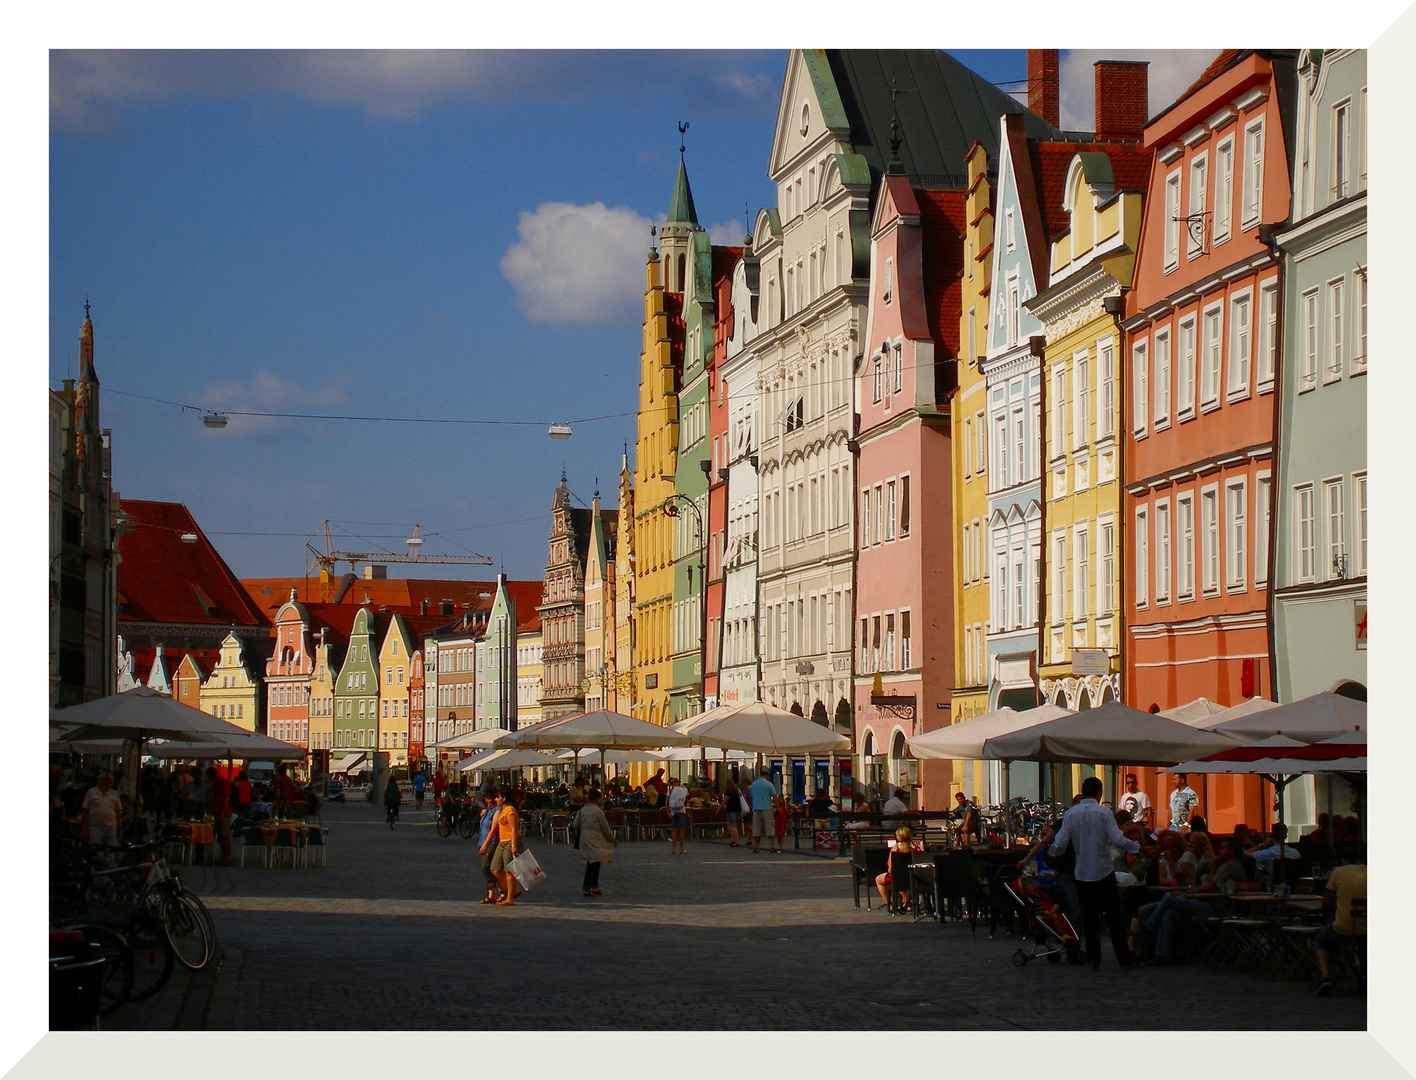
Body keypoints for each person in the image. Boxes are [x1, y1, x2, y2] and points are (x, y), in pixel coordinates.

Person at [1048, 775, 1139, 971]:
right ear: (1099, 793)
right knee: (1114, 917)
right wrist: (1136, 847)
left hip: (1082, 871)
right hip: (1104, 870)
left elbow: (1061, 842)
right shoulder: (1104, 812)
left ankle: (1093, 960)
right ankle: (1124, 960)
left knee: (1089, 918)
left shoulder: (1071, 814)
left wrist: (1051, 852)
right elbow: (1117, 838)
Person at [1140, 838, 1247, 964]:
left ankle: (1149, 929)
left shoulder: (1230, 866)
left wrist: (1187, 894)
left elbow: (1209, 887)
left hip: (1217, 908)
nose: (1219, 850)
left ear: (1231, 851)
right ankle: (1163, 954)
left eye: (1222, 847)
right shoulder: (1225, 865)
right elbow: (1212, 883)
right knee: (1170, 914)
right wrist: (1215, 865)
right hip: (1212, 904)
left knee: (1169, 897)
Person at [1314, 859, 1366, 995]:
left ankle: (1325, 976)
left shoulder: (1340, 872)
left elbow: (1326, 904)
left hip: (1344, 930)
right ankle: (1364, 972)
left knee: (1321, 940)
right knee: (1363, 941)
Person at [574, 787, 618, 897]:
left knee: (594, 862)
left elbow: (575, 825)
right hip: (595, 838)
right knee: (593, 864)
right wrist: (612, 839)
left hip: (584, 838)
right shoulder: (598, 811)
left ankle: (594, 886)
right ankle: (587, 888)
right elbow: (605, 827)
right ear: (597, 799)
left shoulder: (582, 810)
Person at [485, 789, 522, 906]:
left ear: (504, 798)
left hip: (510, 841)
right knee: (494, 869)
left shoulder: (510, 810)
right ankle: (512, 890)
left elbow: (513, 829)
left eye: (498, 797)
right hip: (502, 842)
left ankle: (510, 898)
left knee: (509, 871)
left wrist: (513, 845)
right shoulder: (502, 810)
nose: (496, 799)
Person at [875, 825, 926, 910]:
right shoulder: (914, 848)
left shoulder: (896, 848)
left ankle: (890, 905)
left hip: (897, 876)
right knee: (910, 881)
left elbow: (890, 867)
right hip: (912, 876)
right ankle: (906, 903)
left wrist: (889, 869)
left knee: (878, 880)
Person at [1251, 822, 1302, 887]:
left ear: (1271, 836)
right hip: (1292, 888)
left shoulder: (1268, 853)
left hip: (1272, 889)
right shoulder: (1295, 853)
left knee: (1259, 865)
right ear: (1285, 836)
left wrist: (1262, 845)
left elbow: (1245, 853)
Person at [80, 772, 123, 849]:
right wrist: (84, 828)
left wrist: (119, 829)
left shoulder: (114, 794)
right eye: (110, 780)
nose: (113, 782)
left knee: (111, 851)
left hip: (111, 828)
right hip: (95, 828)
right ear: (103, 781)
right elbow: (84, 810)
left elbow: (117, 811)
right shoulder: (91, 792)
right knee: (96, 852)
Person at [475, 791, 503, 903]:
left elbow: (493, 829)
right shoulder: (488, 810)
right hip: (484, 841)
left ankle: (503, 891)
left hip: (492, 842)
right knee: (491, 868)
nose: (486, 801)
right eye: (485, 799)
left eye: (488, 799)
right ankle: (492, 893)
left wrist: (485, 844)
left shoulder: (497, 811)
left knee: (486, 867)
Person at [207, 767, 233, 866]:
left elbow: (226, 798)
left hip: (225, 813)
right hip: (218, 812)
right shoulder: (216, 783)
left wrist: (222, 812)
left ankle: (227, 857)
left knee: (225, 835)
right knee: (221, 837)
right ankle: (223, 856)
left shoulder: (223, 782)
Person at [749, 769, 779, 853]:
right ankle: (772, 846)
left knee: (756, 827)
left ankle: (756, 847)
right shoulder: (769, 784)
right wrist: (778, 806)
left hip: (756, 808)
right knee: (770, 827)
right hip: (767, 808)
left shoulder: (753, 785)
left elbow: (751, 797)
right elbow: (774, 797)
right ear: (767, 776)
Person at [666, 776, 689, 854]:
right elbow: (685, 801)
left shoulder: (669, 791)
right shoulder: (682, 791)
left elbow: (666, 803)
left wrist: (668, 812)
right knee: (681, 830)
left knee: (674, 830)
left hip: (673, 812)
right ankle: (681, 848)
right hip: (681, 811)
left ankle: (673, 849)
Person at [723, 778, 744, 848]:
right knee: (732, 825)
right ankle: (734, 840)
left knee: (732, 826)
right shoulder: (736, 791)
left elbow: (725, 801)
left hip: (731, 810)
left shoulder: (728, 792)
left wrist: (720, 808)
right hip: (737, 809)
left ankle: (736, 841)